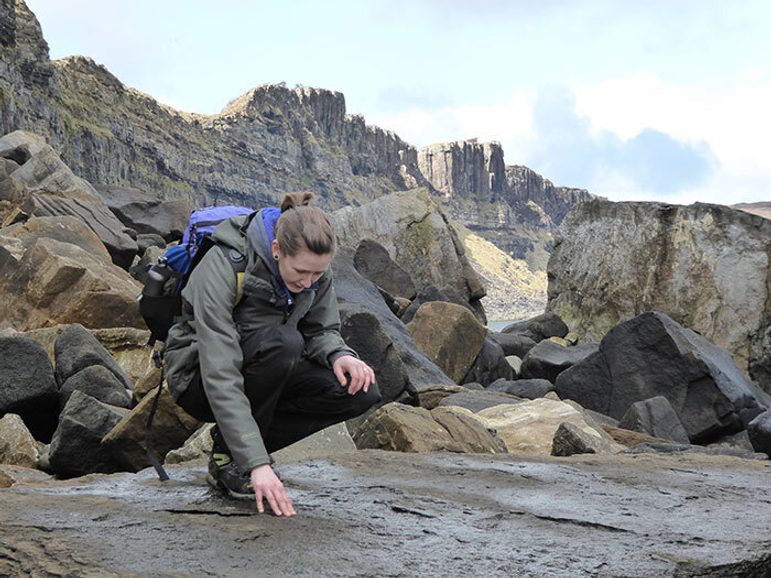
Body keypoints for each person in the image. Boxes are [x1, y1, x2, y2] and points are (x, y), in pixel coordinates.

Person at [164, 192, 380, 517]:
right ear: (277, 250)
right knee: (285, 344)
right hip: (198, 378)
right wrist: (257, 464)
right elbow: (220, 370)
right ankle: (239, 459)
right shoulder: (224, 264)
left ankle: (227, 452)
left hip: (268, 364)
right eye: (302, 273)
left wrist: (339, 355)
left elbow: (320, 331)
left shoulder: (314, 271)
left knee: (359, 391)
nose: (309, 282)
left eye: (318, 275)